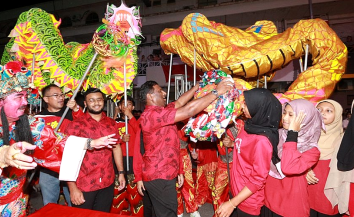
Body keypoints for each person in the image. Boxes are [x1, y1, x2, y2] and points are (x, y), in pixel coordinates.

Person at [0, 57, 117, 217]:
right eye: (19, 97)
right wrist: (0, 157)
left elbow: (55, 141)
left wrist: (91, 143)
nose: (25, 102)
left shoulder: (27, 123)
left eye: (26, 96)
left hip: (18, 202)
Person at [137, 79, 233, 217]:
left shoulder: (161, 111)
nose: (164, 93)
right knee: (168, 213)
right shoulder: (152, 115)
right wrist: (216, 92)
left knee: (167, 211)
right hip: (159, 175)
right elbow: (188, 111)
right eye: (159, 91)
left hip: (166, 172)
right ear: (150, 96)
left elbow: (180, 102)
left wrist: (198, 86)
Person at [216, 88, 282, 217]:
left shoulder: (262, 140)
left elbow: (258, 179)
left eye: (247, 104)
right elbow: (248, 151)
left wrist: (232, 203)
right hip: (237, 192)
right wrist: (234, 144)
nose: (242, 106)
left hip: (248, 202)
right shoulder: (249, 126)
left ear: (260, 108)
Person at [65, 88, 126, 212]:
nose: (96, 103)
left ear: (103, 101)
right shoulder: (76, 125)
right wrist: (72, 187)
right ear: (86, 104)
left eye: (99, 100)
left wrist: (121, 173)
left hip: (107, 181)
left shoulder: (111, 123)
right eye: (91, 100)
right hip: (84, 184)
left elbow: (116, 147)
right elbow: (67, 156)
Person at [262, 99, 323, 217]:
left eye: (291, 115)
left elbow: (288, 167)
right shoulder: (277, 134)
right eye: (284, 113)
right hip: (270, 198)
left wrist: (292, 134)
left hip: (291, 205)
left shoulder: (312, 149)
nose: (284, 118)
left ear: (306, 119)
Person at [34, 84, 83, 207]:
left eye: (62, 95)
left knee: (74, 201)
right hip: (48, 165)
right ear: (46, 99)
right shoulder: (38, 118)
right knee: (49, 203)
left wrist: (76, 109)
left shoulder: (71, 113)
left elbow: (85, 125)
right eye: (56, 95)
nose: (61, 98)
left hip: (70, 162)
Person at [306, 99, 344, 217]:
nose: (322, 113)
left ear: (337, 115)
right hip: (307, 189)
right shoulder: (305, 135)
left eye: (329, 111)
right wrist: (304, 170)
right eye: (319, 109)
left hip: (330, 190)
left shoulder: (343, 140)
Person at [112, 95, 141, 214]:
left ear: (133, 107)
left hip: (134, 158)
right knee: (118, 190)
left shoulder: (137, 120)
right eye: (123, 104)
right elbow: (111, 137)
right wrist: (121, 138)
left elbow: (140, 132)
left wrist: (130, 116)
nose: (126, 106)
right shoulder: (115, 122)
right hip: (119, 159)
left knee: (135, 191)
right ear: (119, 106)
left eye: (129, 104)